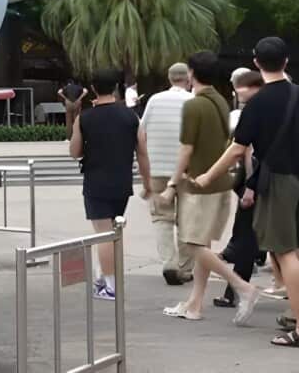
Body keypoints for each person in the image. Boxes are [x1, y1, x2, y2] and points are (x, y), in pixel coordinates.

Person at [194, 37, 299, 349]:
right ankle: (297, 313)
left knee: (283, 251)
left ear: (256, 62)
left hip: (277, 181)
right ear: (286, 62)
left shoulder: (258, 103)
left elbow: (238, 149)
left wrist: (209, 175)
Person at [160, 51, 259, 323]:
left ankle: (243, 287)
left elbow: (185, 149)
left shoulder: (194, 106)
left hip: (198, 185)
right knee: (201, 242)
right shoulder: (219, 101)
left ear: (191, 73)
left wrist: (171, 183)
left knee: (192, 244)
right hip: (219, 183)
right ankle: (195, 304)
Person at [70, 68, 151, 301]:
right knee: (114, 232)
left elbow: (75, 152)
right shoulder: (130, 117)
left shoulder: (84, 118)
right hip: (122, 182)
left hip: (96, 182)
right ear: (116, 87)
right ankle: (105, 278)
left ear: (93, 88)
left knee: (103, 234)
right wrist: (147, 182)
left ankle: (110, 285)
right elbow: (142, 153)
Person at [140, 62, 194, 285]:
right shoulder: (192, 101)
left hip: (157, 168)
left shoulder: (154, 100)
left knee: (161, 218)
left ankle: (169, 262)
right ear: (188, 78)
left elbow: (141, 131)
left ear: (169, 78)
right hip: (185, 171)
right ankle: (184, 266)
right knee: (187, 219)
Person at [214, 69, 264, 308]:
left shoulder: (254, 110)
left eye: (241, 86)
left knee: (248, 236)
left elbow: (247, 151)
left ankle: (236, 290)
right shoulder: (266, 107)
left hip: (254, 181)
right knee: (255, 237)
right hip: (256, 180)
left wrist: (249, 187)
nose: (237, 91)